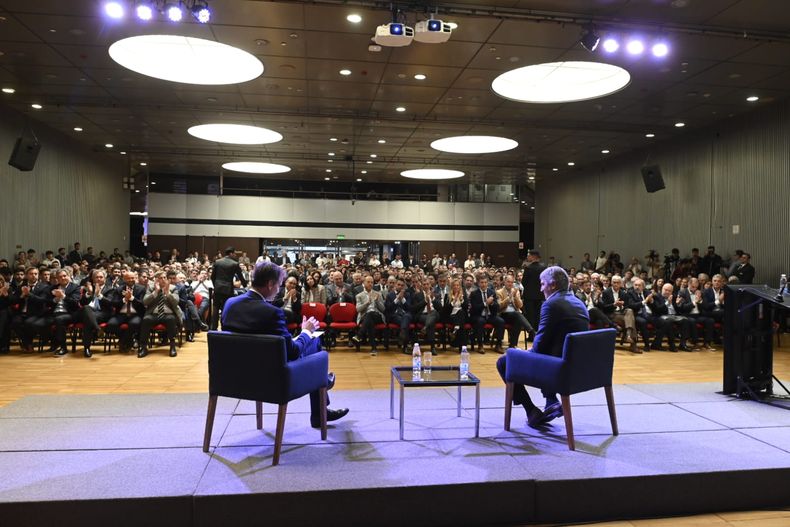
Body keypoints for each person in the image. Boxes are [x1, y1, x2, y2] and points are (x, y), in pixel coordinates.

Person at [221, 261, 348, 428]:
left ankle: (322, 391)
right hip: (272, 378)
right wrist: (306, 332)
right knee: (315, 342)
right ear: (270, 284)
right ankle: (322, 389)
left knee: (306, 342)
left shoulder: (230, 304)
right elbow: (293, 353)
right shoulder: (272, 312)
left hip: (234, 376)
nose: (279, 290)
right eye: (279, 286)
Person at [496, 266, 590, 428]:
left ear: (552, 285)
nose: (541, 289)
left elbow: (539, 347)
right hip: (579, 369)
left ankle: (531, 411)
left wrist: (522, 353)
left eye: (542, 284)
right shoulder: (579, 303)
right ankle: (550, 400)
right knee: (548, 352)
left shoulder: (551, 304)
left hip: (559, 370)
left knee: (505, 361)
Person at [210, 247, 247, 330]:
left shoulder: (218, 262)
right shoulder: (234, 264)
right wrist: (245, 286)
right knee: (226, 309)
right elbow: (240, 277)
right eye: (234, 254)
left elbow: (213, 277)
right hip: (228, 289)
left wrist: (216, 285)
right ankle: (224, 327)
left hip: (218, 288)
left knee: (215, 308)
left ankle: (213, 329)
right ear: (230, 253)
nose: (235, 255)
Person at [521, 250, 545, 339]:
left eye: (529, 255)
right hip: (540, 296)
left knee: (530, 316)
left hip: (529, 296)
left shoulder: (528, 268)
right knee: (538, 316)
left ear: (533, 256)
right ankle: (538, 335)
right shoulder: (543, 268)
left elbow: (523, 283)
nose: (527, 257)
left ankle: (531, 335)